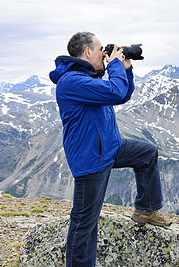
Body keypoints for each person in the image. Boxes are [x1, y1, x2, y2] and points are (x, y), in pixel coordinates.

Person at [49, 32, 171, 267]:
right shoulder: (71, 81)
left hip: (110, 147)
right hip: (91, 158)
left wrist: (124, 68)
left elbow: (122, 94)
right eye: (99, 50)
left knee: (147, 154)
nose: (103, 55)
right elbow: (114, 92)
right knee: (85, 222)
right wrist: (114, 63)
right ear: (87, 52)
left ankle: (145, 210)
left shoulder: (87, 78)